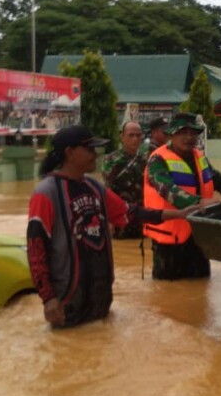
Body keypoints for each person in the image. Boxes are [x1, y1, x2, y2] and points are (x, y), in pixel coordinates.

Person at [27, 124, 197, 328]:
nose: (95, 155)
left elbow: (130, 213)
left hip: (100, 298)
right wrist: (48, 299)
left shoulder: (94, 187)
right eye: (89, 149)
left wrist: (179, 214)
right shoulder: (45, 193)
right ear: (70, 153)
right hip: (67, 302)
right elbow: (36, 249)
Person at [143, 112, 221, 281]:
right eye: (183, 133)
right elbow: (167, 189)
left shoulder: (199, 156)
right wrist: (200, 202)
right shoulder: (157, 159)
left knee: (201, 284)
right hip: (170, 240)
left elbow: (217, 179)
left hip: (199, 235)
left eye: (193, 133)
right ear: (172, 134)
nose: (189, 137)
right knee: (167, 290)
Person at [103, 119, 147, 239]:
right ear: (122, 137)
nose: (135, 139)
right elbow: (108, 190)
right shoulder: (112, 159)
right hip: (121, 218)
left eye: (138, 135)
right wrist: (109, 220)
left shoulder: (147, 159)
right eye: (131, 135)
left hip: (142, 217)